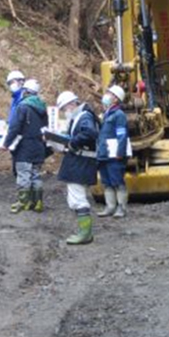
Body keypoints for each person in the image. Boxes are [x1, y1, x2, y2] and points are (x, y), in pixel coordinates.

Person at [55, 91, 99, 244]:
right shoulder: (82, 116)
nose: (64, 111)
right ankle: (84, 232)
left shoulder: (84, 116)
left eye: (64, 108)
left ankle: (85, 234)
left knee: (78, 199)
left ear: (71, 104)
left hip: (80, 163)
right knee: (75, 198)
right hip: (80, 162)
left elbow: (90, 133)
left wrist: (73, 142)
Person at [1, 79, 48, 213]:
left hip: (24, 146)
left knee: (23, 174)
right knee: (36, 174)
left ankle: (24, 202)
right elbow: (46, 128)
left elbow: (14, 127)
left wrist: (6, 143)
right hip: (39, 145)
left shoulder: (23, 106)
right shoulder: (42, 107)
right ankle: (37, 202)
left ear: (25, 91)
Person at [97, 85, 130, 218]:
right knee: (106, 181)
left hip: (114, 155)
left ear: (116, 99)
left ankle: (121, 208)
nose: (106, 95)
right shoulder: (106, 114)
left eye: (109, 93)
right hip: (104, 153)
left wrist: (119, 152)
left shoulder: (119, 115)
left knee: (117, 181)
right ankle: (110, 206)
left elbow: (122, 135)